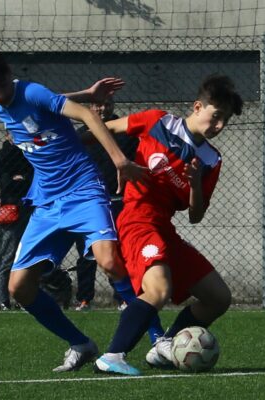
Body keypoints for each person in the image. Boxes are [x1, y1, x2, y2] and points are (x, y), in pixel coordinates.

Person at [0, 47, 148, 372]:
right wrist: (87, 91)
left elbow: (89, 115)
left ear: (9, 73)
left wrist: (120, 160)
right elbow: (44, 100)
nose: (1, 93)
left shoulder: (29, 89)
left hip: (83, 189)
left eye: (3, 85)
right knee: (19, 288)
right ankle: (80, 344)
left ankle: (158, 340)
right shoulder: (2, 105)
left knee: (109, 260)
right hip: (47, 201)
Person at [93, 75, 243, 375]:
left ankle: (166, 350)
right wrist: (72, 147)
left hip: (163, 227)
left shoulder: (211, 160)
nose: (220, 127)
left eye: (225, 120)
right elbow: (105, 128)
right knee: (158, 290)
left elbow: (195, 215)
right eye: (216, 116)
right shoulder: (157, 121)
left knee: (218, 298)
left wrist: (195, 185)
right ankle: (113, 355)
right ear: (198, 106)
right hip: (136, 218)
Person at [72, 96, 137, 312]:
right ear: (90, 107)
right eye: (98, 104)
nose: (103, 108)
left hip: (118, 201)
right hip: (88, 203)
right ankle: (84, 299)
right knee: (87, 252)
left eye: (107, 104)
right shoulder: (82, 135)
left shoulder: (125, 131)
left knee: (117, 252)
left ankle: (123, 297)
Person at [0, 131, 33, 311]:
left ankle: (22, 297)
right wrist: (19, 180)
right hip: (12, 210)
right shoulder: (2, 156)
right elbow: (6, 184)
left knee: (26, 256)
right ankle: (3, 300)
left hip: (29, 208)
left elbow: (33, 181)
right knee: (7, 256)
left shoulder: (31, 153)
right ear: (7, 134)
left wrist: (21, 179)